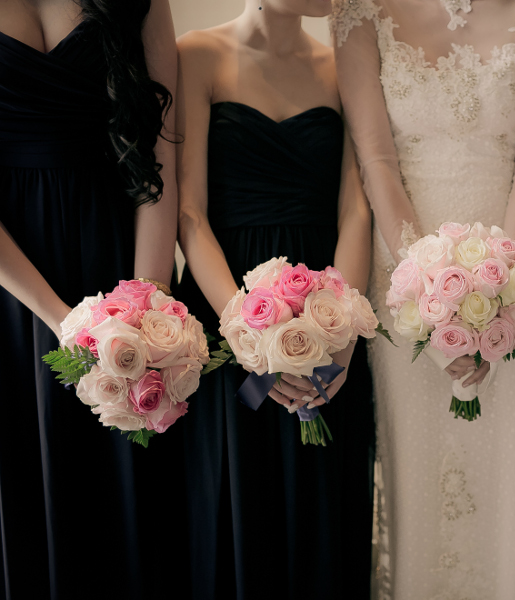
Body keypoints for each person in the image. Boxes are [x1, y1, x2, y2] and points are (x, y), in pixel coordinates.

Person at [332, 0, 515, 597]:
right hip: (404, 279)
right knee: (420, 479)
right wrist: (423, 289)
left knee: (506, 482)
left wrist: (503, 292)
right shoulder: (358, 9)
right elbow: (376, 159)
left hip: (514, 273)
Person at [175, 0, 374, 597]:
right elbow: (188, 212)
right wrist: (248, 332)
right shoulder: (197, 55)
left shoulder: (347, 65)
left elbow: (357, 210)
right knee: (233, 511)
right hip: (226, 312)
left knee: (321, 514)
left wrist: (340, 337)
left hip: (326, 310)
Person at [0, 0, 181, 596]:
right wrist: (69, 323)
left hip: (116, 267)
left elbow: (160, 160)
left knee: (129, 497)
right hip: (15, 290)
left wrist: (144, 316)